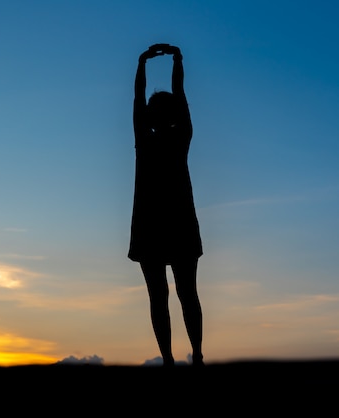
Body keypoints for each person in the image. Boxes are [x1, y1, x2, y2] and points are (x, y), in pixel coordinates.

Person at [129, 43, 204, 367]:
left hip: (156, 225)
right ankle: (188, 357)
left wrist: (144, 62)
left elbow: (144, 97)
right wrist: (174, 60)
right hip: (172, 224)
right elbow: (178, 95)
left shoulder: (149, 138)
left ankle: (176, 359)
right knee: (182, 294)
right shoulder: (178, 135)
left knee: (166, 296)